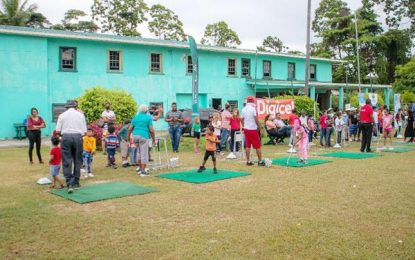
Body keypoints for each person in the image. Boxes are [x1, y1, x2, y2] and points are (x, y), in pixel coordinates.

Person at [55, 100, 87, 193]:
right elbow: (84, 131)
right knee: (78, 160)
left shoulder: (62, 115)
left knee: (67, 160)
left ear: (67, 107)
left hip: (66, 137)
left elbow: (57, 131)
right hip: (78, 137)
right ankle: (76, 181)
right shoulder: (81, 115)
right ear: (75, 106)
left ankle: (69, 183)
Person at [128, 105, 156, 177]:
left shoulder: (135, 117)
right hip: (144, 136)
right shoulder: (148, 117)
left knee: (138, 152)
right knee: (144, 154)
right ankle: (143, 172)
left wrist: (129, 138)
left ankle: (140, 169)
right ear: (146, 111)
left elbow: (130, 129)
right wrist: (153, 139)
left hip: (135, 136)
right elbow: (151, 130)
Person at [241, 96, 265, 166]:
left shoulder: (243, 109)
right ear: (252, 101)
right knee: (257, 145)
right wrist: (259, 126)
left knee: (248, 145)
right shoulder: (253, 109)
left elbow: (241, 119)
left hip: (246, 129)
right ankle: (260, 161)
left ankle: (248, 161)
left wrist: (244, 125)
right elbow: (256, 119)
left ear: (247, 101)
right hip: (252, 129)